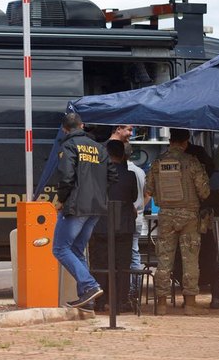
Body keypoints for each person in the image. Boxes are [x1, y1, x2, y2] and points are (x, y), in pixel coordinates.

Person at [53, 112, 117, 311]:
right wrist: (97, 192)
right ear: (82, 125)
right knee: (77, 250)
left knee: (60, 248)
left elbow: (66, 176)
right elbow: (113, 176)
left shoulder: (69, 146)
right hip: (96, 207)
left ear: (65, 129)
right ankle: (86, 299)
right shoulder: (100, 148)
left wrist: (61, 200)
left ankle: (89, 286)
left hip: (76, 206)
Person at [145, 128, 210, 315]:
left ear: (170, 140)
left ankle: (162, 304)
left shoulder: (158, 163)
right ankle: (190, 304)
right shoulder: (191, 162)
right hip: (189, 215)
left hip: (166, 215)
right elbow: (204, 191)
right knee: (190, 259)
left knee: (164, 260)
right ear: (186, 142)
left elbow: (149, 189)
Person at [171, 129, 219, 309]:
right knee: (208, 253)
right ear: (186, 139)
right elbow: (207, 184)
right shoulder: (197, 155)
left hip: (173, 215)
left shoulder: (164, 159)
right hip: (198, 215)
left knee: (180, 257)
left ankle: (185, 300)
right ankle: (216, 297)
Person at [89, 140, 138, 312]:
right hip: (124, 226)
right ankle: (120, 301)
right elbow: (133, 197)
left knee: (101, 263)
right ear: (123, 155)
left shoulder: (97, 175)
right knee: (122, 265)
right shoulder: (130, 176)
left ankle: (100, 301)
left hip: (101, 225)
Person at [124, 143, 147, 300]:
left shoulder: (119, 171)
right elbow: (148, 193)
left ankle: (130, 289)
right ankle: (135, 289)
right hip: (138, 216)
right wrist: (140, 208)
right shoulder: (140, 171)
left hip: (125, 216)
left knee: (127, 253)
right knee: (134, 251)